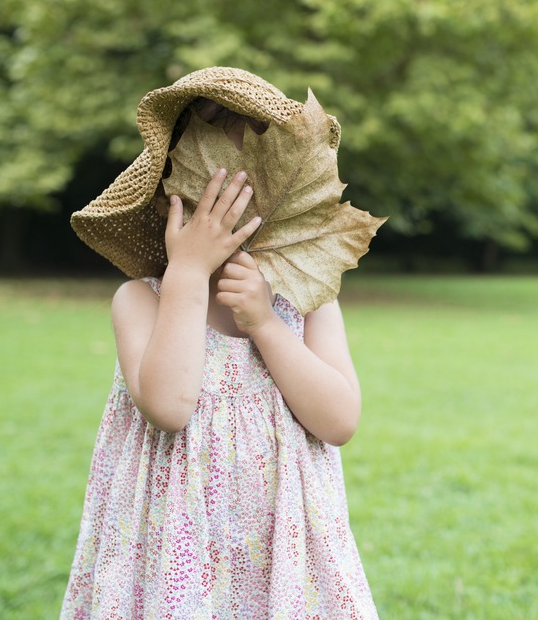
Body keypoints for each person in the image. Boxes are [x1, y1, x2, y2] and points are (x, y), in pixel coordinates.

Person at [61, 68, 379, 618]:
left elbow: (339, 421)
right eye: (209, 191)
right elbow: (168, 407)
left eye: (251, 191)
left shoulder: (307, 301)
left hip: (285, 552)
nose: (230, 213)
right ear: (165, 201)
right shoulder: (141, 301)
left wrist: (266, 324)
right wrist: (187, 272)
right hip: (175, 550)